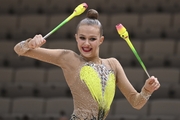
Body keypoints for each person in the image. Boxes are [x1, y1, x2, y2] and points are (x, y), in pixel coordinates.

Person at [14, 9, 160, 120]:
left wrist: (147, 90)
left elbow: (136, 102)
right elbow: (19, 50)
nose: (86, 43)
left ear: (101, 40)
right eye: (82, 38)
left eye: (92, 39)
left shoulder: (113, 65)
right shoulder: (69, 59)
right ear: (76, 38)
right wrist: (29, 43)